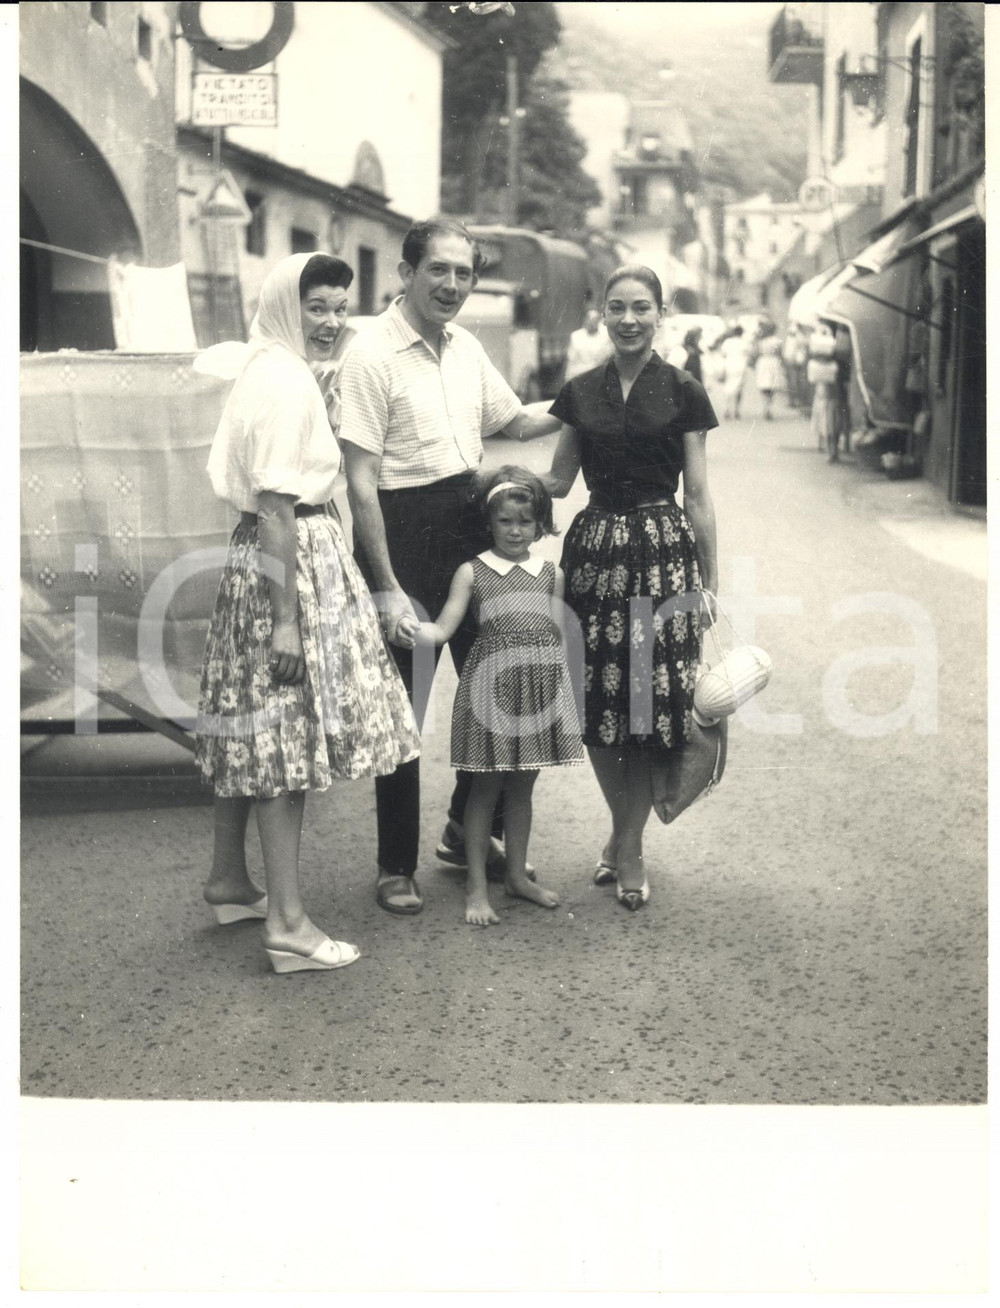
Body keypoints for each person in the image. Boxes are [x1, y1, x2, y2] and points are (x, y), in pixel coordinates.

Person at [195, 253, 420, 973]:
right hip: (289, 563)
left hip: (257, 559)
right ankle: (289, 925)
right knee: (285, 744)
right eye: (316, 307)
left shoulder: (266, 364)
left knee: (254, 732)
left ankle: (231, 880)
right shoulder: (285, 381)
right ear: (289, 307)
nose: (330, 322)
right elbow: (277, 508)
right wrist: (286, 619)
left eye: (337, 308)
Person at [337, 217, 563, 917]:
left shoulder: (464, 347)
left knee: (501, 689)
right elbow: (361, 483)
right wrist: (385, 586)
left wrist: (596, 399)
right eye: (439, 270)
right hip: (400, 533)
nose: (453, 285)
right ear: (405, 273)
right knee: (403, 709)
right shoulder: (370, 353)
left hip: (468, 524)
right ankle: (393, 865)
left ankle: (463, 830)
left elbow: (517, 422)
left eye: (464, 273)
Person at [543, 265, 719, 911]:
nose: (628, 320)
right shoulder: (581, 391)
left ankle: (629, 848)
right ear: (603, 312)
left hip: (662, 556)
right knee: (596, 710)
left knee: (648, 713)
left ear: (659, 313)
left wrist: (708, 584)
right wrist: (485, 490)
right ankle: (623, 837)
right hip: (591, 559)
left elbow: (697, 494)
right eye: (617, 307)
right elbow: (558, 481)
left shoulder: (684, 390)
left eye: (641, 308)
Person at [400, 466, 583, 925]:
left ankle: (517, 876)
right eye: (505, 521)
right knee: (485, 788)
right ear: (489, 522)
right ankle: (477, 886)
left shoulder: (550, 573)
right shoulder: (473, 571)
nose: (516, 531)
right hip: (491, 693)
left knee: (522, 788)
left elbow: (559, 636)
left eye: (526, 521)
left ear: (541, 523)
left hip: (536, 693)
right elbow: (443, 627)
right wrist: (410, 628)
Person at [565, 306, 612, 379]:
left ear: (599, 321)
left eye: (595, 319)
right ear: (585, 320)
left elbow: (607, 358)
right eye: (589, 318)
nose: (592, 322)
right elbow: (571, 361)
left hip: (598, 376)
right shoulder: (576, 336)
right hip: (579, 375)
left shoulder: (605, 337)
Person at [719, 325, 751, 420]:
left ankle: (727, 409)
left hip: (729, 365)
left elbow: (723, 354)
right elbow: (748, 355)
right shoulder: (744, 342)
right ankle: (736, 410)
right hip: (741, 366)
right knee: (739, 389)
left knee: (728, 387)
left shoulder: (727, 342)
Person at [753, 321, 782, 420]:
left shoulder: (761, 341)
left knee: (764, 385)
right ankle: (768, 407)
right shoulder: (776, 340)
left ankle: (766, 406)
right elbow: (779, 352)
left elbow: (756, 352)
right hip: (773, 361)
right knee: (771, 386)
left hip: (763, 362)